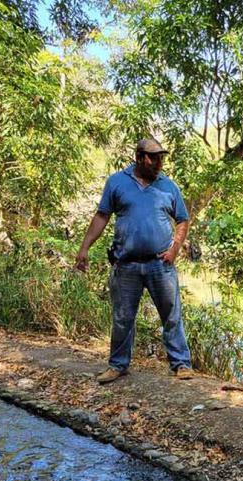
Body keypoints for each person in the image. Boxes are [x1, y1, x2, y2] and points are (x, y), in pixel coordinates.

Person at [75, 138, 195, 384]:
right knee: (122, 317)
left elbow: (183, 220)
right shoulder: (117, 182)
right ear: (140, 157)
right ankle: (118, 365)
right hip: (126, 263)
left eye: (162, 157)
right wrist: (84, 248)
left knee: (171, 315)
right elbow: (101, 216)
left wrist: (174, 249)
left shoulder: (168, 187)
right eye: (154, 157)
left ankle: (181, 364)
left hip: (160, 264)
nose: (159, 163)